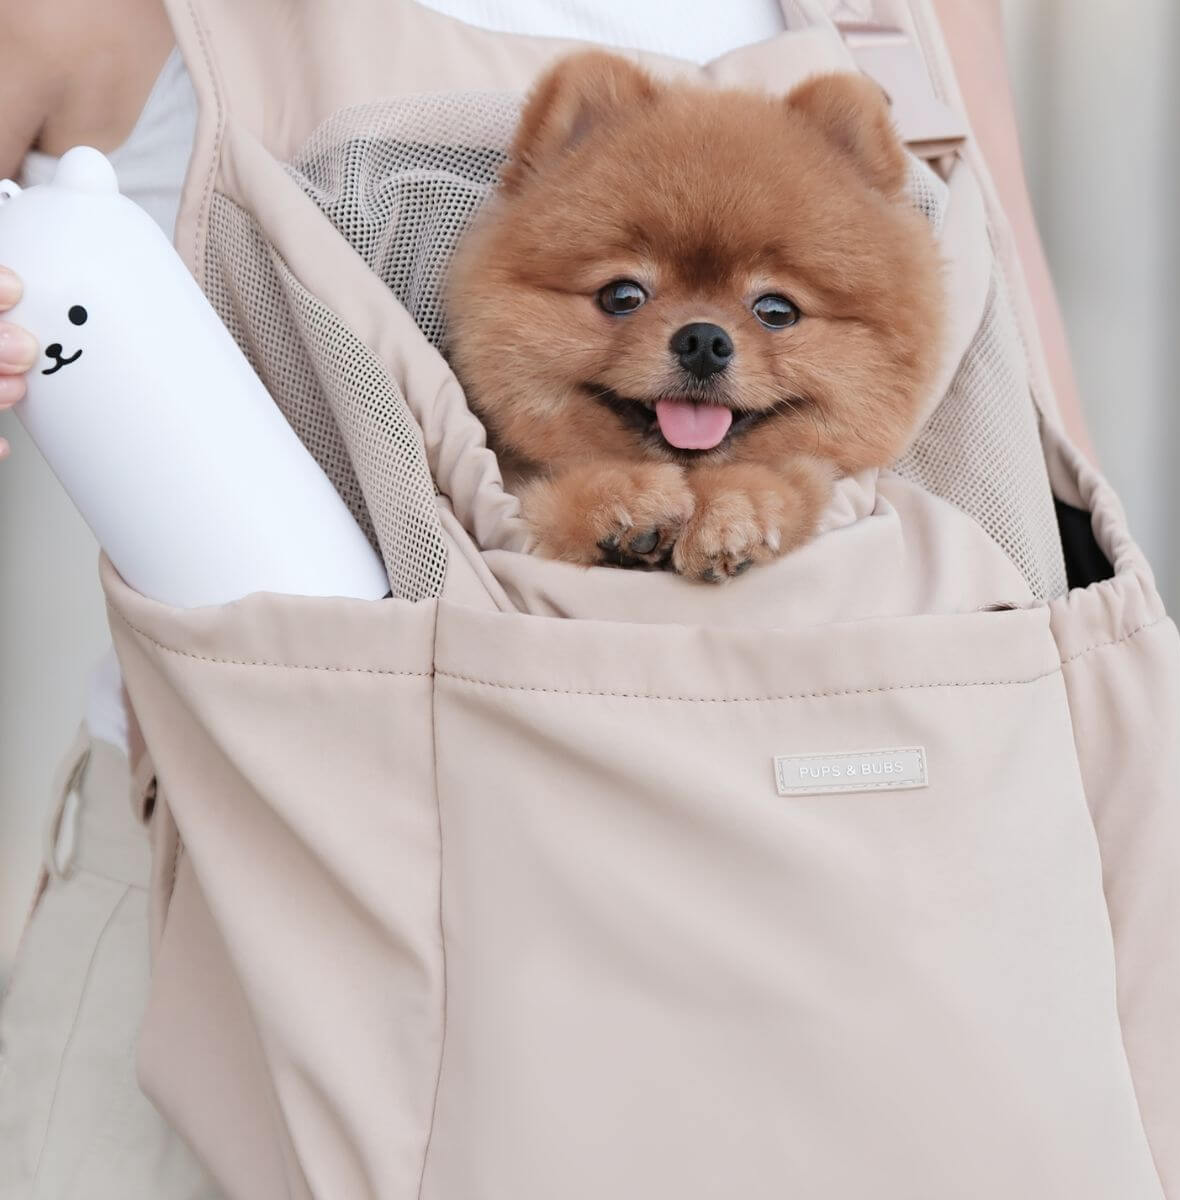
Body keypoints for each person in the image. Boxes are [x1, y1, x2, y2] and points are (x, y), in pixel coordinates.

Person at [0, 0, 1092, 1194]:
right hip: (267, 924)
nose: (707, 342)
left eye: (773, 310)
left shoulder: (906, 17)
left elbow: (1029, 461)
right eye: (624, 293)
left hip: (836, 953)